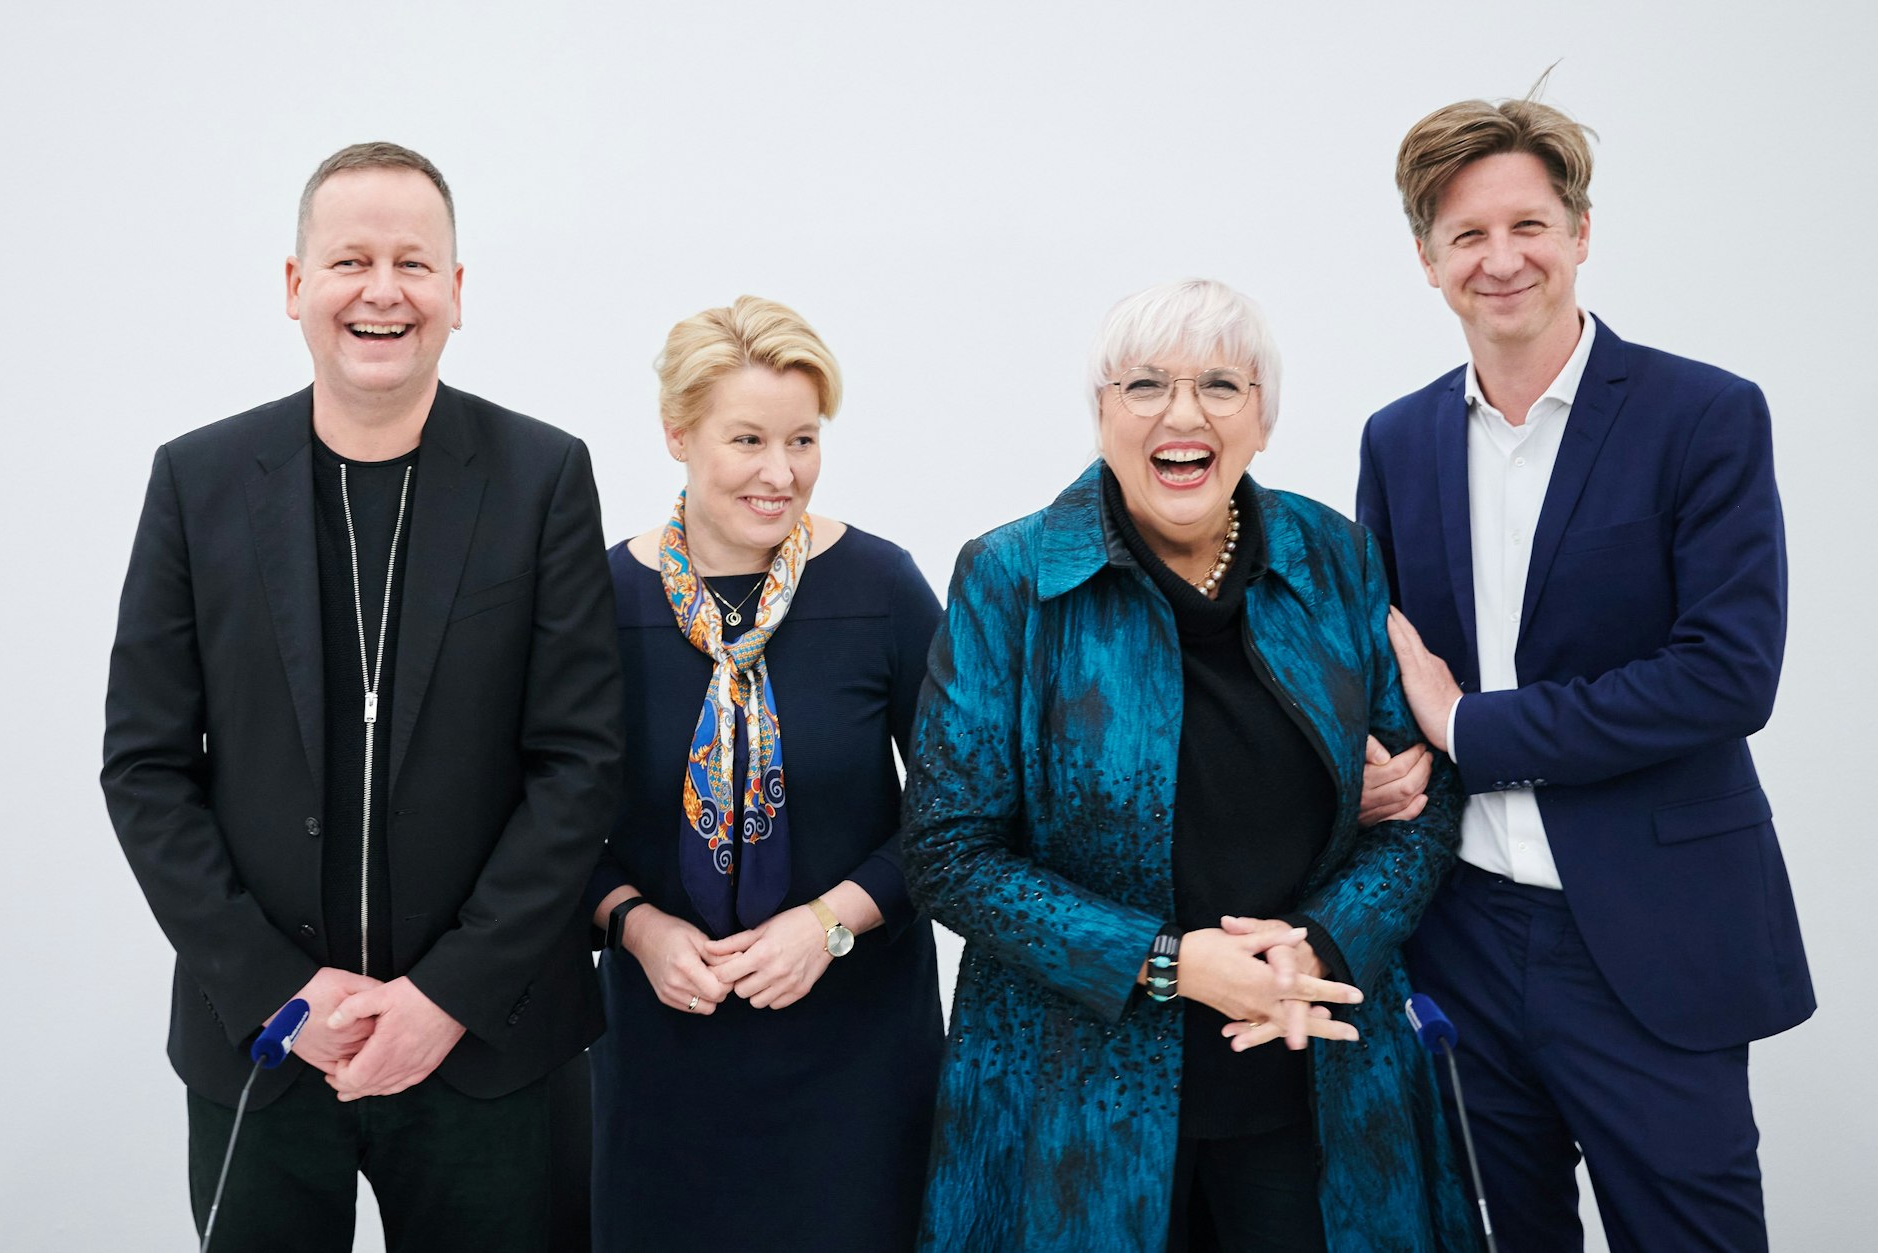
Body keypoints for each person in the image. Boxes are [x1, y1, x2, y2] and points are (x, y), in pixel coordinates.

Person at [101, 142, 623, 1250]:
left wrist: (446, 994)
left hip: (494, 1045)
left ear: (456, 293)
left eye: (412, 263)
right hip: (266, 1043)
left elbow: (579, 765)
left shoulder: (544, 477)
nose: (382, 290)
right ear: (295, 287)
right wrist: (283, 991)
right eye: (348, 259)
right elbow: (145, 765)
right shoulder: (195, 482)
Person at [903, 279, 1475, 1252]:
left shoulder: (1333, 556)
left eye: (1219, 383)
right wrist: (1169, 963)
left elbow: (1423, 792)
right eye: (1142, 386)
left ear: (1260, 417)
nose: (1182, 413)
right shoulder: (1010, 577)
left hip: (1313, 1066)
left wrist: (1320, 945)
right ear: (1099, 414)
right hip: (1078, 1101)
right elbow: (947, 851)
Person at [1357, 90, 1814, 1251]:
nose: (1499, 259)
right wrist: (1375, 760)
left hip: (1648, 938)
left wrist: (1470, 728)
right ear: (1426, 259)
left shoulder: (1701, 415)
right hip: (1458, 931)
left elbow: (1725, 673)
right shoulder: (1396, 439)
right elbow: (1385, 667)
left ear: (1579, 232)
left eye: (1526, 226)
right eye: (1465, 235)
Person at [583, 296, 944, 1253]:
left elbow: (963, 813)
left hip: (858, 1055)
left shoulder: (881, 589)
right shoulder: (595, 602)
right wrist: (636, 923)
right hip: (662, 1059)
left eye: (803, 440)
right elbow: (543, 818)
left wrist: (831, 924)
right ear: (677, 434)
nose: (780, 473)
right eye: (747, 439)